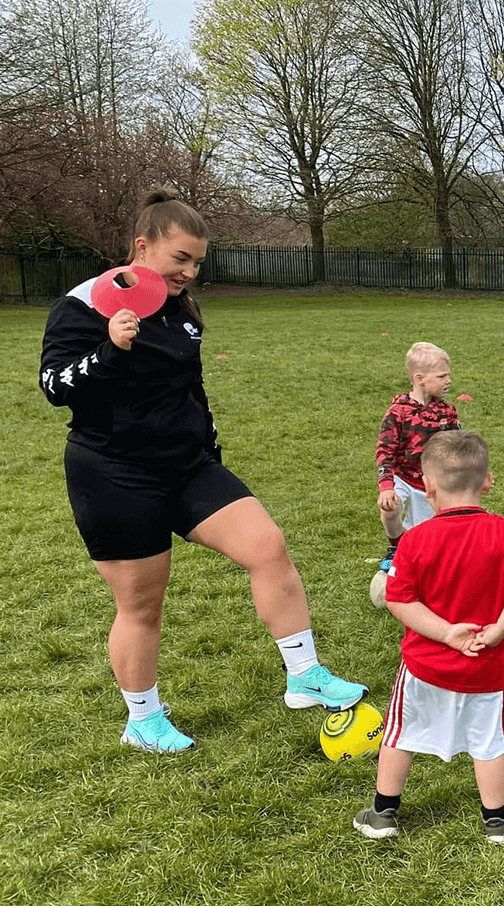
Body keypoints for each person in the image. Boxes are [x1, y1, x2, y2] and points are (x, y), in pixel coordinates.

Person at [38, 188, 365, 753]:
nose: (190, 272)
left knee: (267, 546)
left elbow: (191, 388)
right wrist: (111, 350)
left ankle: (305, 677)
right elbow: (55, 387)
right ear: (143, 247)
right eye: (180, 259)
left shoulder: (181, 309)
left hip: (189, 467)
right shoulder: (83, 304)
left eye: (197, 263)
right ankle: (143, 720)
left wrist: (209, 452)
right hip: (113, 474)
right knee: (142, 604)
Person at [353, 431, 504, 843]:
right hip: (485, 664)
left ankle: (382, 816)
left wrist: (445, 634)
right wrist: (497, 629)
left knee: (399, 733)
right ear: (487, 481)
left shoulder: (415, 539)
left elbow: (397, 598)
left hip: (423, 666)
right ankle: (497, 821)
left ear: (427, 487)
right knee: (488, 741)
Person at [374, 342, 460, 573]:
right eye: (442, 376)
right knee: (389, 508)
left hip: (431, 483)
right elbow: (385, 451)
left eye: (448, 375)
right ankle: (395, 546)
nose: (448, 381)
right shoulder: (398, 412)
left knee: (426, 543)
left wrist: (472, 476)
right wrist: (386, 487)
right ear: (420, 378)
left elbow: (458, 447)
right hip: (402, 478)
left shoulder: (447, 412)